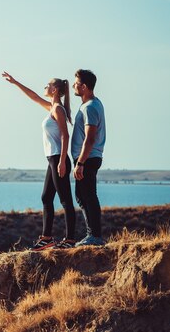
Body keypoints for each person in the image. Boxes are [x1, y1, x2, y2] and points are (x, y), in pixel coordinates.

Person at [2, 71, 76, 250]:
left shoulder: (58, 109)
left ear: (55, 89)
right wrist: (15, 82)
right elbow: (34, 96)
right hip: (53, 158)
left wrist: (62, 162)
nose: (45, 87)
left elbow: (65, 135)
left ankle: (70, 240)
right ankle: (47, 238)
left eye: (47, 85)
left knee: (65, 200)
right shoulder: (52, 107)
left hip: (59, 157)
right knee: (46, 197)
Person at [71, 69, 107, 246]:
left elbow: (90, 138)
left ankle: (95, 236)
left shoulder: (91, 107)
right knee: (82, 195)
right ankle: (92, 234)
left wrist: (80, 163)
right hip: (88, 158)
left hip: (88, 158)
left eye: (76, 83)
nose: (73, 86)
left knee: (88, 195)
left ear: (84, 87)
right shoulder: (90, 103)